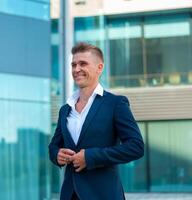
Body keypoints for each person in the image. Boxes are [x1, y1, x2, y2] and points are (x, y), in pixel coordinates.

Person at [48, 42, 144, 200]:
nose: (76, 69)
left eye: (83, 64)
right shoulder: (65, 109)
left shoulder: (115, 104)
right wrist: (57, 154)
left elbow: (136, 147)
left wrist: (90, 157)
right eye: (74, 65)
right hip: (69, 194)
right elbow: (54, 145)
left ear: (100, 68)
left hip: (103, 194)